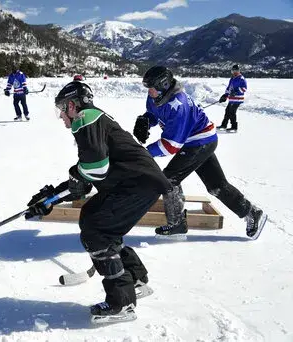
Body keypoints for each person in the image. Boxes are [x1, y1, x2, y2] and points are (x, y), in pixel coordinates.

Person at [25, 81, 172, 321]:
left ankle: (122, 304)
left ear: (72, 105)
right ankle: (136, 279)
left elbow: (95, 169)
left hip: (136, 183)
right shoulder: (96, 119)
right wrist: (51, 198)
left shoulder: (85, 118)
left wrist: (72, 179)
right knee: (98, 218)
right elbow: (87, 177)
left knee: (96, 230)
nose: (62, 117)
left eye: (62, 110)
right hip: (138, 182)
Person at [133, 65, 267, 240]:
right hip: (197, 141)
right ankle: (252, 213)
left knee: (169, 180)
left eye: (151, 88)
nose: (149, 92)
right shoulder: (155, 97)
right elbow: (155, 113)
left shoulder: (179, 105)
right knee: (216, 186)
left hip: (199, 143)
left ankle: (177, 223)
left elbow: (171, 146)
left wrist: (145, 153)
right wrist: (146, 120)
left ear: (164, 85)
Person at [217, 64, 247, 132]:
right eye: (233, 71)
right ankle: (223, 125)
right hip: (232, 99)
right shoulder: (232, 78)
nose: (234, 72)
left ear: (239, 71)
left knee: (232, 112)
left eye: (236, 71)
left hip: (238, 99)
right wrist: (225, 95)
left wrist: (236, 92)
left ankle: (234, 127)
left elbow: (244, 89)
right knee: (227, 111)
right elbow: (229, 88)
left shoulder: (241, 78)